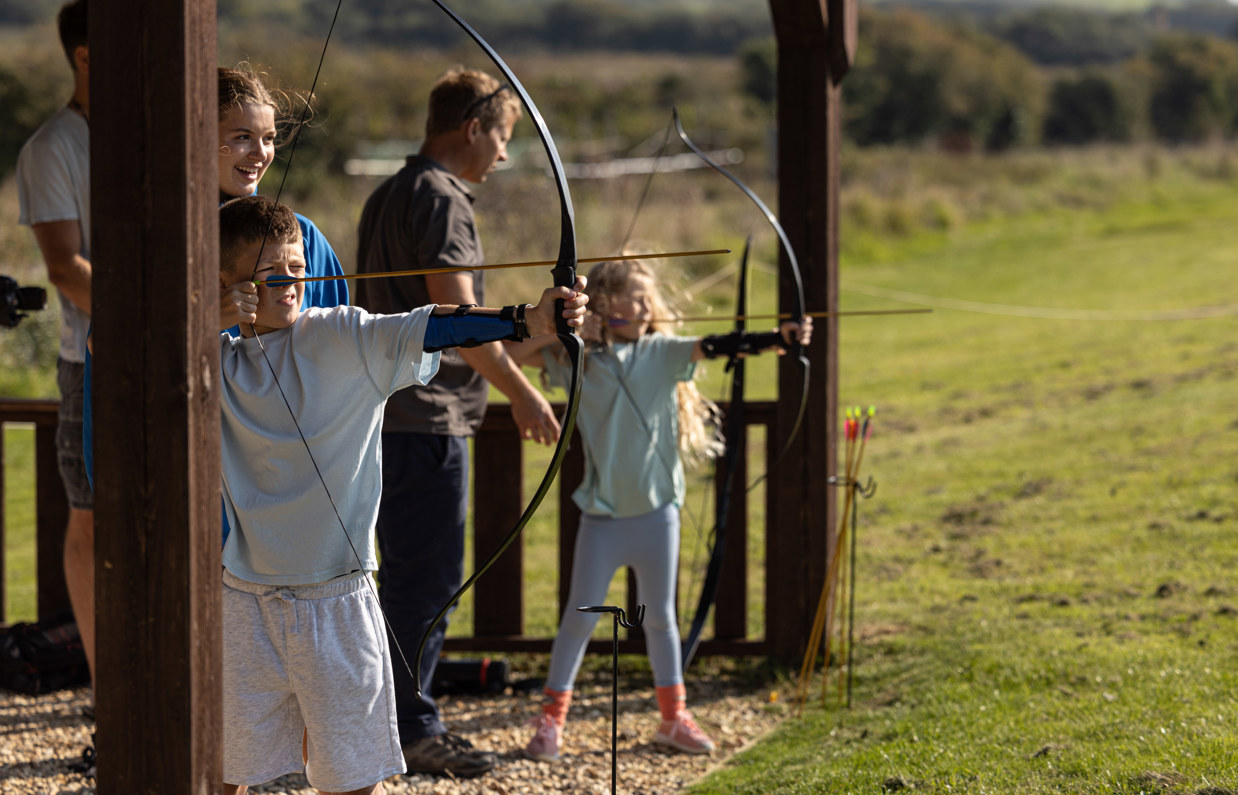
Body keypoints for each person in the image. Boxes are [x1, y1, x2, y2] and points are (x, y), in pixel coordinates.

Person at [216, 195, 588, 794]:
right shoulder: (215, 356)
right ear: (227, 286)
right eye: (270, 275)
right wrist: (207, 316)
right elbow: (116, 347)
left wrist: (527, 320)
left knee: (351, 776)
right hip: (244, 597)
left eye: (297, 267)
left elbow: (434, 324)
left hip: (335, 595)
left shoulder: (342, 336)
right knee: (228, 770)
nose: (290, 284)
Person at [507, 255, 812, 762]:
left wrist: (778, 338)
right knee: (579, 619)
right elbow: (510, 355)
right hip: (603, 519)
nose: (647, 306)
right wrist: (567, 330)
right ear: (604, 305)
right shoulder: (575, 357)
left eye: (650, 298)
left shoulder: (662, 353)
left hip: (656, 515)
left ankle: (673, 718)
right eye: (636, 297)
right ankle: (549, 723)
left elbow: (717, 345)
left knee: (661, 620)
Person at [354, 67, 563, 778]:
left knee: (408, 578)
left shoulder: (391, 193)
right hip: (428, 418)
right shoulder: (442, 198)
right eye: (502, 135)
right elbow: (455, 325)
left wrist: (542, 337)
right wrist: (524, 396)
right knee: (426, 580)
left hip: (389, 412)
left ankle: (384, 719)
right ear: (472, 127)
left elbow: (437, 323)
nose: (504, 154)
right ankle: (410, 728)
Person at [16, 0, 94, 691]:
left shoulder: (161, 130)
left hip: (192, 358)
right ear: (86, 57)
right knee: (93, 520)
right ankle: (111, 688)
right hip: (94, 363)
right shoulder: (52, 147)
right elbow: (67, 270)